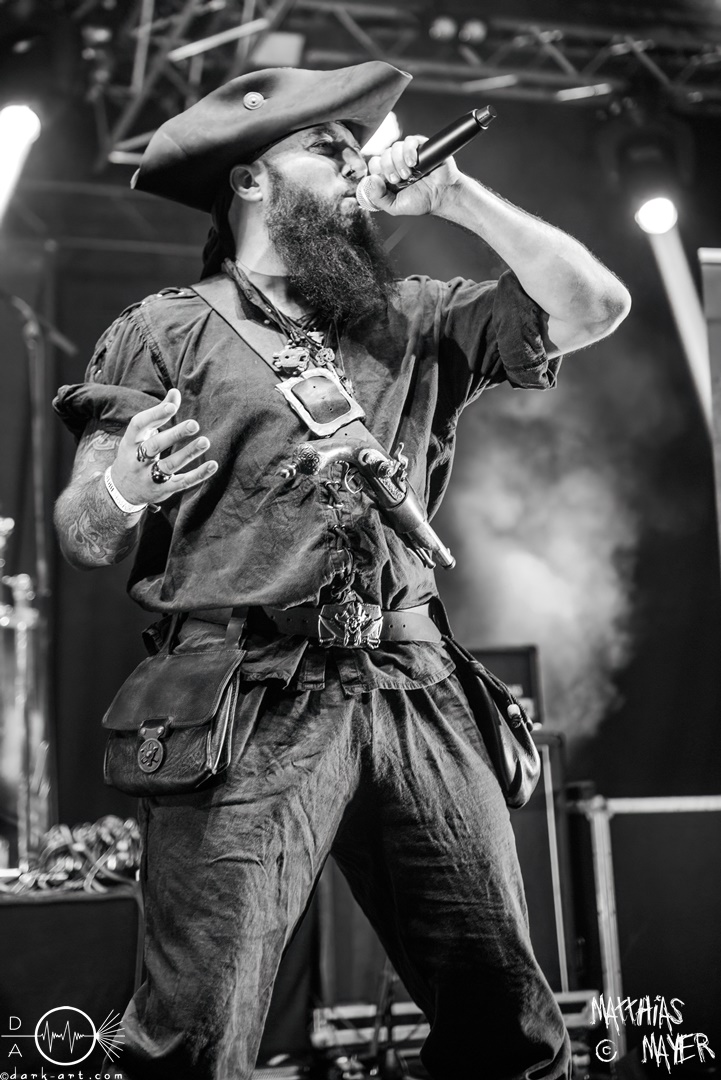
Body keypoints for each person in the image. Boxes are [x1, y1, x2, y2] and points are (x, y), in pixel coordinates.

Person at [53, 61, 630, 1080]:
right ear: (248, 180)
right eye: (326, 147)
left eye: (359, 147)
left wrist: (455, 196)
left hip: (412, 684)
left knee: (510, 1027)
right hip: (245, 697)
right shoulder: (162, 330)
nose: (357, 163)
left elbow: (593, 305)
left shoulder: (412, 315)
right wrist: (127, 486)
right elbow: (84, 531)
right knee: (193, 1034)